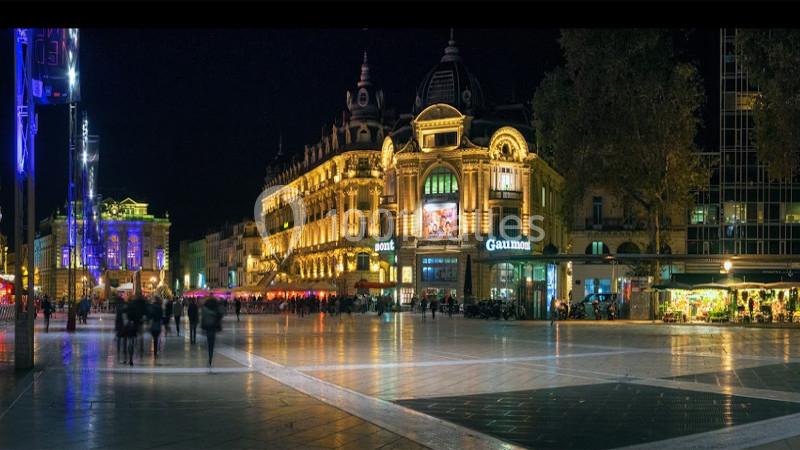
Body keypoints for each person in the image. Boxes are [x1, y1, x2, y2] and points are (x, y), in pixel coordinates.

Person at [202, 297, 223, 369]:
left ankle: (210, 357)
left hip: (208, 328)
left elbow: (203, 319)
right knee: (212, 344)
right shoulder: (216, 309)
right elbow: (220, 316)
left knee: (209, 344)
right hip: (213, 328)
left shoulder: (204, 309)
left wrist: (203, 327)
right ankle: (210, 357)